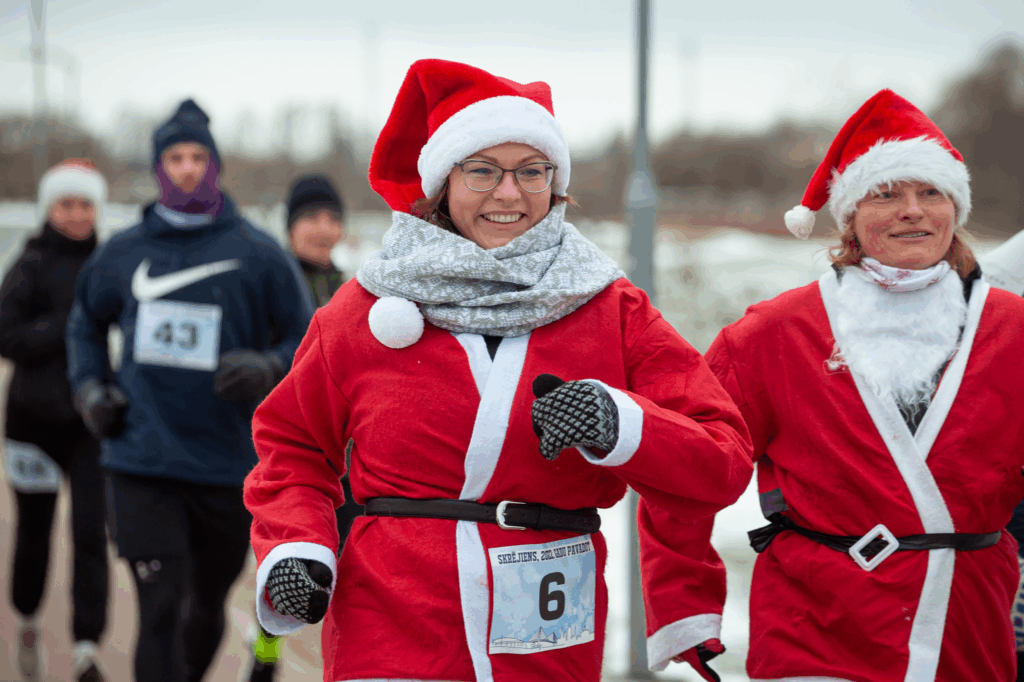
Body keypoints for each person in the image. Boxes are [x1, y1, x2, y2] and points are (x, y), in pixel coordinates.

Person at [243, 59, 754, 682]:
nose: (509, 193)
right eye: (482, 170)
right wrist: (296, 546)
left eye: (531, 171)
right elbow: (293, 448)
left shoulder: (609, 307)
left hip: (548, 638)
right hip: (394, 625)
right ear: (441, 185)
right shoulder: (365, 310)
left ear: (556, 182)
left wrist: (618, 424)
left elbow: (722, 459)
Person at [673, 89, 1024, 681]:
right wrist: (685, 610)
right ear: (850, 218)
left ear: (954, 210)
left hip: (964, 631)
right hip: (815, 631)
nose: (912, 210)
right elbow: (685, 470)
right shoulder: (771, 333)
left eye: (930, 192)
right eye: (886, 194)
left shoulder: (1013, 328)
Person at [66, 99, 315, 682]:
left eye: (197, 157)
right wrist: (90, 390)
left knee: (204, 607)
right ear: (158, 167)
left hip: (227, 466)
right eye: (174, 157)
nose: (186, 169)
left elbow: (305, 338)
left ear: (215, 164)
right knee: (159, 606)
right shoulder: (124, 252)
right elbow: (84, 323)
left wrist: (267, 365)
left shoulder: (258, 254)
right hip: (140, 459)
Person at [248, 174, 362, 682]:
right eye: (312, 218)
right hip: (274, 449)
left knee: (348, 572)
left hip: (344, 457)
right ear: (291, 226)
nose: (323, 229)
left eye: (332, 219)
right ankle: (265, 657)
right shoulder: (269, 283)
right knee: (279, 561)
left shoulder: (350, 291)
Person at [1, 159, 110, 682]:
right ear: (50, 208)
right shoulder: (28, 262)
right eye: (66, 203)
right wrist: (64, 326)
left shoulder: (111, 263)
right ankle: (26, 619)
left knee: (91, 534)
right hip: (31, 426)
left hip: (90, 429)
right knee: (34, 535)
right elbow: (6, 336)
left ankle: (87, 645)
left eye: (85, 203)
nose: (76, 213)